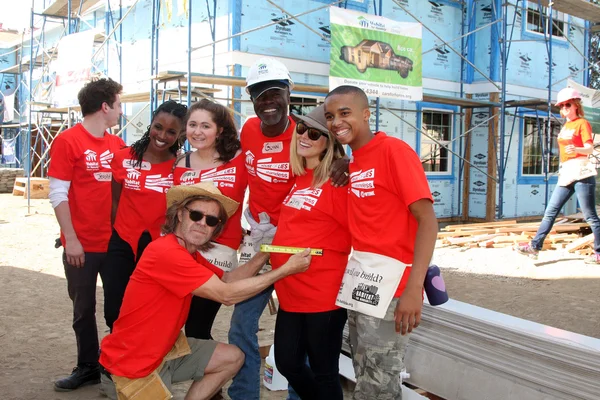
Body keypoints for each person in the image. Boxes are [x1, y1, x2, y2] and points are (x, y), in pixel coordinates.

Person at [99, 182, 312, 400]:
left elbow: (229, 278)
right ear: (180, 214)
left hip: (162, 355)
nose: (202, 224)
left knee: (233, 357)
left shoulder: (188, 253)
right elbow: (226, 294)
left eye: (211, 220)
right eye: (196, 215)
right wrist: (285, 270)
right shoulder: (166, 253)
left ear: (215, 228)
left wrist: (266, 252)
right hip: (130, 370)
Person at [323, 85, 438, 400]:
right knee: (366, 375)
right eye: (330, 116)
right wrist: (345, 163)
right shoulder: (355, 161)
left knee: (379, 385)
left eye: (344, 113)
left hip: (393, 291)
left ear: (366, 113)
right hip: (362, 283)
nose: (335, 122)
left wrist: (413, 290)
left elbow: (428, 221)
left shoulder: (394, 152)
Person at [228, 57, 298, 400]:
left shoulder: (306, 134)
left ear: (288, 93)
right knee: (242, 324)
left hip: (294, 244)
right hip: (257, 240)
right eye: (259, 94)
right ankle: (244, 395)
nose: (267, 100)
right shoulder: (249, 130)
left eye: (274, 92)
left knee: (296, 328)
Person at [48, 78, 124, 391]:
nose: (121, 111)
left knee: (118, 309)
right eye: (118, 104)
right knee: (83, 310)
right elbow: (57, 193)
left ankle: (117, 365)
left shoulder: (118, 144)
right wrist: (71, 239)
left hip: (117, 244)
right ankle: (88, 366)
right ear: (104, 107)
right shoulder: (68, 141)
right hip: (81, 245)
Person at [269, 104, 350, 400]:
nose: (304, 136)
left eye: (315, 133)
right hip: (290, 291)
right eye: (301, 129)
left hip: (322, 294)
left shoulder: (339, 181)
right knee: (288, 362)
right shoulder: (301, 178)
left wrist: (350, 161)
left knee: (324, 371)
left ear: (329, 142)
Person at [103, 100, 188, 331]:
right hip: (122, 242)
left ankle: (147, 360)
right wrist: (117, 236)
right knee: (114, 310)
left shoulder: (182, 166)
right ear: (150, 124)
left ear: (181, 133)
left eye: (172, 131)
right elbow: (115, 201)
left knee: (151, 308)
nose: (162, 135)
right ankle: (117, 357)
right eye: (158, 127)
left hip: (160, 247)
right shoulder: (122, 158)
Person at [173, 99, 247, 340]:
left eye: (206, 126)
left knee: (197, 327)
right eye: (192, 125)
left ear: (220, 130)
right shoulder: (181, 163)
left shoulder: (240, 159)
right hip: (184, 251)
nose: (197, 131)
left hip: (219, 251)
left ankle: (214, 370)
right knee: (177, 322)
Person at [516, 87, 600, 264]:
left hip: (582, 171)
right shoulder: (566, 126)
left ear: (576, 105)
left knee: (590, 216)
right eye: (561, 106)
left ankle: (598, 253)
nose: (564, 109)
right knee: (550, 212)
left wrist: (576, 149)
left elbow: (589, 148)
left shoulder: (582, 123)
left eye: (568, 105)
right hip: (567, 171)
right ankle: (535, 246)